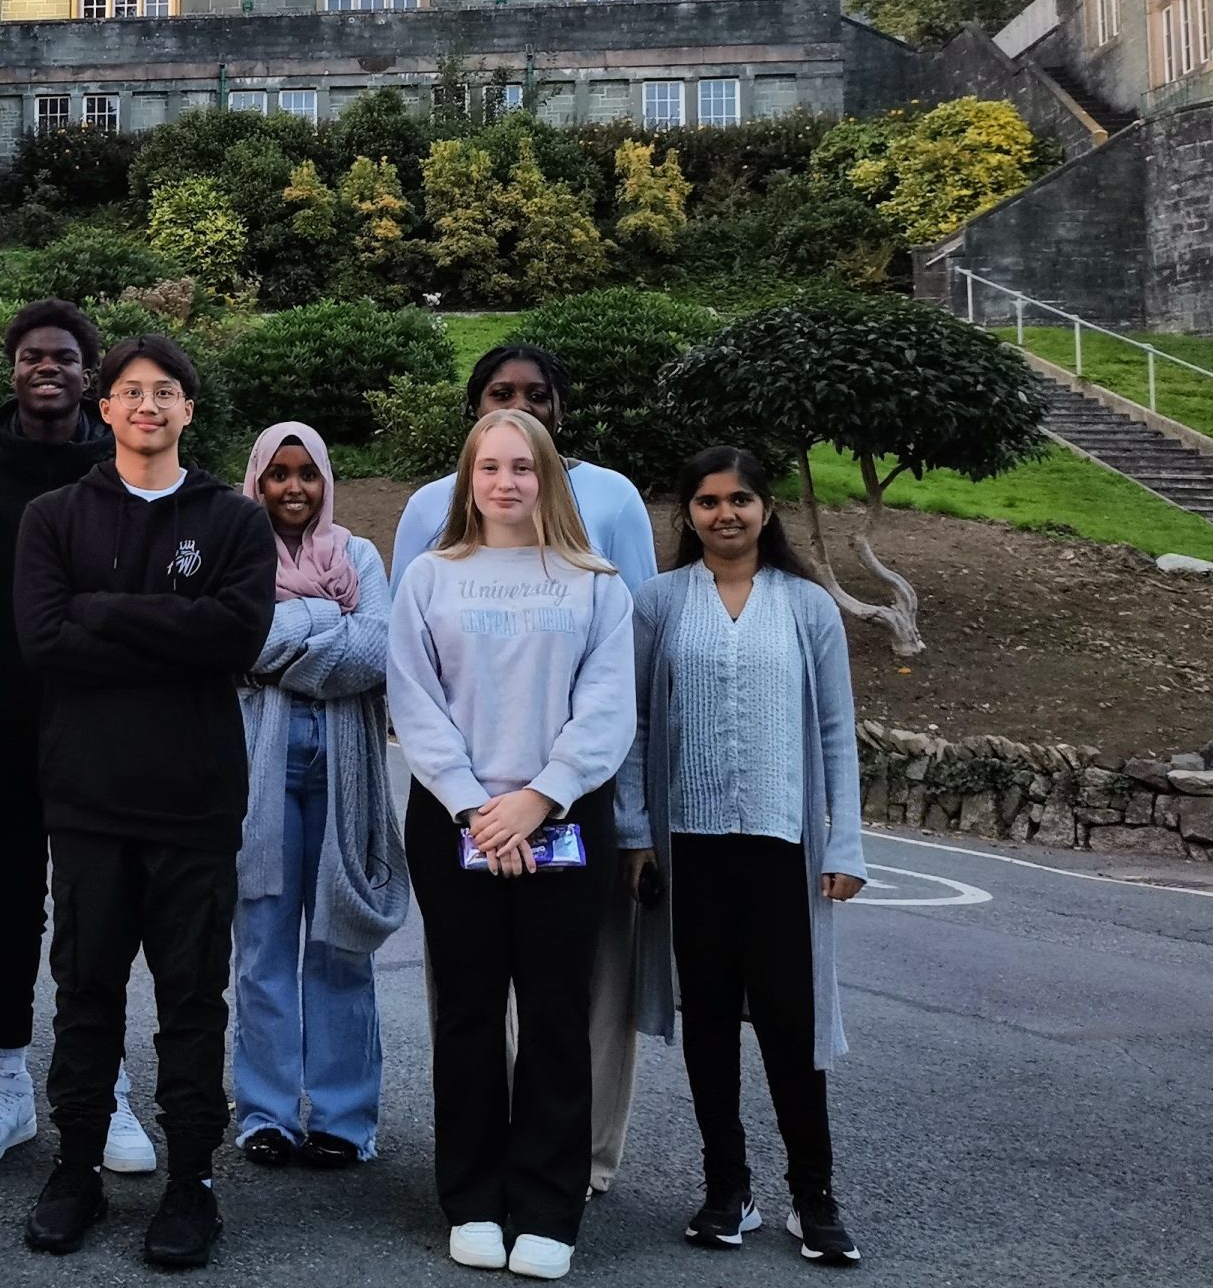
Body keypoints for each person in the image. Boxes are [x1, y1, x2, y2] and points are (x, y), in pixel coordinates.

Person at [14, 333, 277, 1271]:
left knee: (191, 1001)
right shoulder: (54, 516)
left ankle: (191, 1182)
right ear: (105, 407)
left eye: (166, 392)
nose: (148, 406)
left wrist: (105, 609)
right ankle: (75, 1167)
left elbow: (236, 634)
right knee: (85, 995)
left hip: (194, 803)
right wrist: (171, 627)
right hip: (86, 797)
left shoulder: (234, 521)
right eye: (130, 391)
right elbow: (42, 639)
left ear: (188, 411)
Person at [390, 342, 655, 1197]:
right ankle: (469, 1191)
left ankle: (550, 1195)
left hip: (564, 815)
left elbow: (611, 704)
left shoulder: (596, 583)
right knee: (465, 1013)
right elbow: (416, 698)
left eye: (524, 466)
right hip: (455, 818)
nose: (507, 480)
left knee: (556, 1013)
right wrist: (476, 808)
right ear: (468, 473)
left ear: (551, 471)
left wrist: (540, 799)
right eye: (490, 466)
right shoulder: (430, 575)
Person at [618, 447, 867, 1268]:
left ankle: (814, 1197)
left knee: (792, 1026)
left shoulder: (806, 606)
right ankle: (727, 1188)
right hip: (691, 849)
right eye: (708, 502)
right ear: (687, 513)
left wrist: (846, 842)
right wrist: (637, 833)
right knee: (712, 1022)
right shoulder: (658, 603)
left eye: (742, 500)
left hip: (781, 846)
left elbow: (837, 733)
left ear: (767, 508)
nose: (726, 515)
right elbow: (638, 729)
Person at [0, 299, 155, 1178]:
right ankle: (5, 1083)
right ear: (12, 369)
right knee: (6, 908)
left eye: (66, 358)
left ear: (91, 377)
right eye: (33, 355)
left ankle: (98, 1085)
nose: (49, 368)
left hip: (100, 739)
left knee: (96, 914)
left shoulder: (128, 480)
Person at [231, 421, 405, 1172]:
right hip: (260, 769)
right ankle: (266, 1113)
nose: (294, 488)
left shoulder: (359, 555)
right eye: (279, 473)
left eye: (307, 473)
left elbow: (377, 652)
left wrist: (281, 642)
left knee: (339, 944)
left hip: (344, 767)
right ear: (258, 481)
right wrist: (324, 620)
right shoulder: (237, 553)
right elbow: (232, 646)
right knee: (263, 941)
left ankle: (343, 1118)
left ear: (325, 481)